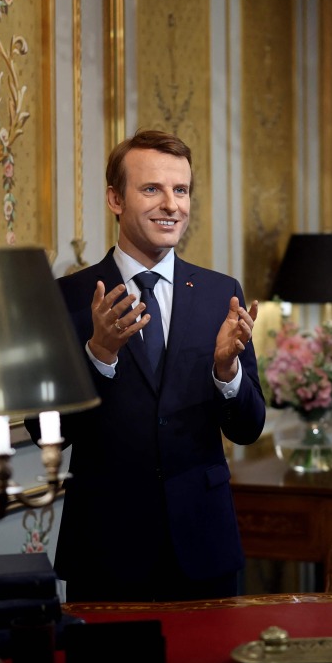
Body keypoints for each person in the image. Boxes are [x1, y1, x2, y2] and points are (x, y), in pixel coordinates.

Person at [51, 129, 266, 602]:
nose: (171, 204)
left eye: (181, 190)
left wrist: (226, 371)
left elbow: (249, 427)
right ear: (115, 198)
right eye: (152, 189)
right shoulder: (67, 298)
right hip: (106, 550)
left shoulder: (219, 293)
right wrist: (99, 355)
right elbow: (43, 430)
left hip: (204, 547)